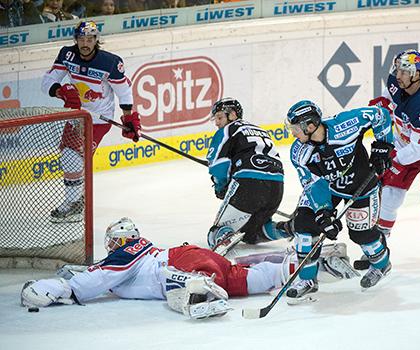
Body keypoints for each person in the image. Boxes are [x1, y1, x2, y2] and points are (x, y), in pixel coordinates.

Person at [21, 217, 358, 318]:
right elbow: (103, 277)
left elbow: (90, 282)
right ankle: (316, 262)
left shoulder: (127, 254)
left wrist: (55, 289)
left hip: (183, 264)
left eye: (112, 243)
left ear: (122, 240)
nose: (110, 250)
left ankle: (201, 293)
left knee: (184, 286)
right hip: (200, 258)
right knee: (247, 280)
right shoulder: (140, 251)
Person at [280, 99, 394, 303]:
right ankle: (307, 280)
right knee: (304, 225)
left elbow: (380, 114)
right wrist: (324, 213)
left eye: (295, 128)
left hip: (361, 188)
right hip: (328, 188)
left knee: (362, 235)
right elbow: (312, 185)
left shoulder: (346, 124)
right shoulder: (299, 152)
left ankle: (381, 264)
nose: (293, 133)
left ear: (311, 125)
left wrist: (383, 145)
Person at [41, 20, 141, 223]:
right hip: (76, 118)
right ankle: (75, 201)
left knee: (73, 158)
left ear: (97, 40)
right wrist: (60, 91)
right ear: (75, 39)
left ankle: (75, 203)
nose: (85, 43)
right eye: (81, 38)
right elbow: (47, 82)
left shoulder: (110, 63)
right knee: (70, 158)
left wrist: (128, 118)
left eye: (90, 39)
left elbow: (123, 91)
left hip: (98, 120)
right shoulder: (66, 55)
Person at [368, 50, 420, 276]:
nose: (398, 75)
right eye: (398, 69)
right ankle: (379, 252)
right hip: (405, 142)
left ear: (416, 74)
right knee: (390, 196)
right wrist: (378, 110)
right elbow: (387, 97)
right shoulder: (397, 81)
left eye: (404, 71)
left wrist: (390, 160)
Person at [206, 98, 289, 251]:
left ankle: (223, 238)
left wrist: (221, 186)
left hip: (249, 184)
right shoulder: (261, 130)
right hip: (277, 186)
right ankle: (287, 228)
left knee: (215, 233)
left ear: (232, 115)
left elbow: (218, 166)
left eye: (219, 117)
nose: (217, 123)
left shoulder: (227, 130)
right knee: (252, 233)